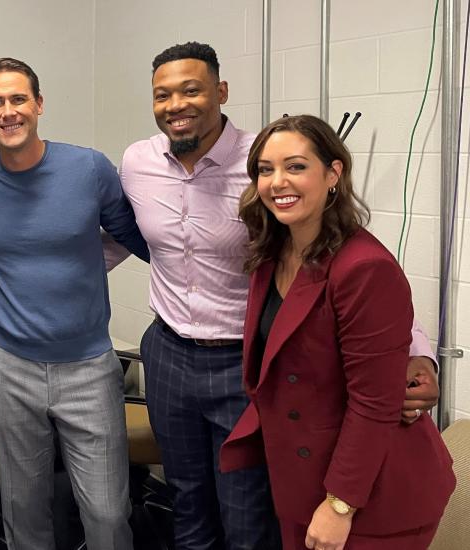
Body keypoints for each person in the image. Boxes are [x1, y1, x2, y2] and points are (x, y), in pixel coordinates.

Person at [107, 41, 441, 550]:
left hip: (248, 365)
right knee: (187, 501)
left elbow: (352, 274)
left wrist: (417, 354)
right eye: (163, 94)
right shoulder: (136, 162)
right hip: (169, 352)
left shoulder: (263, 158)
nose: (177, 104)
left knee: (248, 510)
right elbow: (116, 240)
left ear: (221, 92)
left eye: (192, 89)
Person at [220, 114, 455, 550]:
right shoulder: (274, 251)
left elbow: (373, 403)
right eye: (265, 170)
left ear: (333, 173)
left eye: (295, 166)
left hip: (372, 492)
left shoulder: (363, 267)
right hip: (302, 478)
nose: (277, 182)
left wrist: (340, 504)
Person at [0, 57, 151, 550]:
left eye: (18, 99)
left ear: (39, 105)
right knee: (23, 510)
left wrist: (90, 264)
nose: (9, 111)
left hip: (89, 365)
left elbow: (136, 234)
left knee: (108, 513)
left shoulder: (88, 167)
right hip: (10, 366)